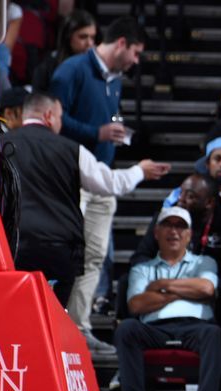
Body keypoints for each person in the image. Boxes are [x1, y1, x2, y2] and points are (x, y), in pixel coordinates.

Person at [8, 92, 168, 307]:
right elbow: (109, 183)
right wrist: (139, 171)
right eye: (60, 117)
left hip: (12, 246)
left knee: (15, 311)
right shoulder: (71, 149)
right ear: (48, 115)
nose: (60, 123)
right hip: (59, 249)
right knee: (53, 316)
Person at [49, 16, 146, 355]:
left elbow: (100, 122)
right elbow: (54, 121)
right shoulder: (71, 71)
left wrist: (110, 135)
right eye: (135, 52)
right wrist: (97, 134)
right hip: (72, 178)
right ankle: (52, 327)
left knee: (93, 258)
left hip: (102, 177)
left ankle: (80, 328)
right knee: (68, 254)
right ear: (121, 43)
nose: (136, 61)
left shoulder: (115, 80)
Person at [109, 207, 221, 391]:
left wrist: (162, 287)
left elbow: (207, 289)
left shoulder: (205, 262)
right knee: (126, 329)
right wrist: (185, 292)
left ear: (189, 234)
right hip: (153, 329)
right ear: (156, 232)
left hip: (195, 327)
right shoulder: (142, 269)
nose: (174, 231)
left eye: (180, 226)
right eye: (168, 225)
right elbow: (136, 304)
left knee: (213, 333)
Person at [132, 174, 221, 320]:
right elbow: (141, 256)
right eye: (181, 193)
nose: (181, 200)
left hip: (206, 282)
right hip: (166, 276)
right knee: (129, 281)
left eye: (190, 196)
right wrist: (157, 278)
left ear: (209, 203)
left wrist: (205, 287)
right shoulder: (166, 217)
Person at [31, 9, 96, 92]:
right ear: (68, 37)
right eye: (83, 37)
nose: (89, 43)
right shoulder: (47, 67)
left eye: (92, 37)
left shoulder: (97, 66)